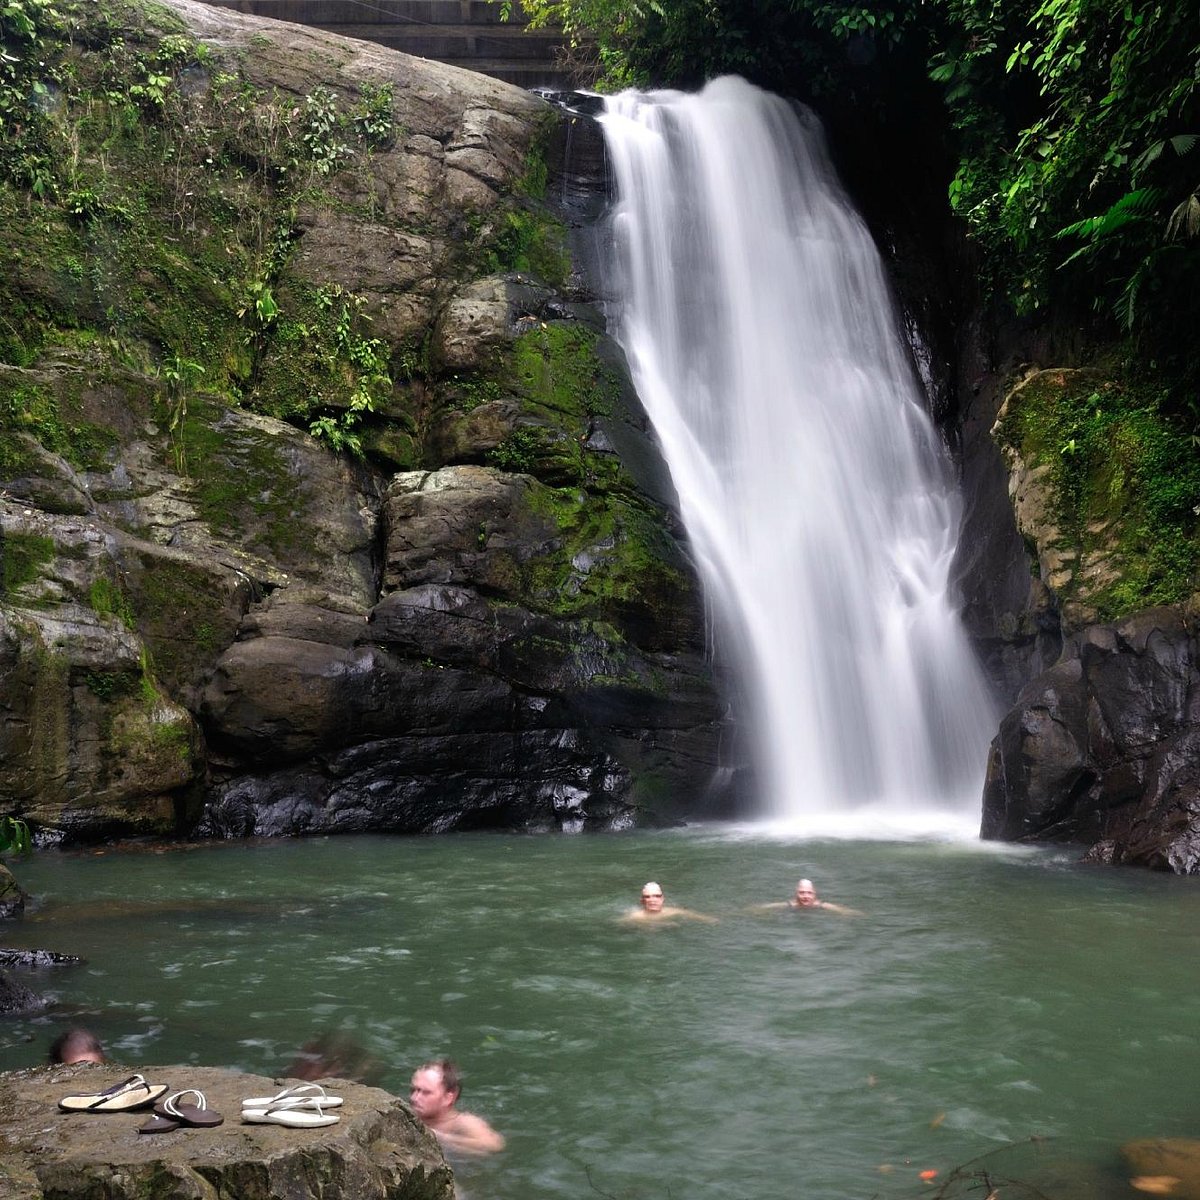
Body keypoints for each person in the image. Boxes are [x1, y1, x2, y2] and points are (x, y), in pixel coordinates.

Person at [409, 1059, 505, 1155]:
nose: (414, 1098)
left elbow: (495, 1145)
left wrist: (441, 1137)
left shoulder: (463, 1122)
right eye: (413, 1090)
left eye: (426, 1092)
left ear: (448, 1098)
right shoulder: (407, 1115)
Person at [623, 881, 717, 923]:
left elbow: (691, 915)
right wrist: (666, 925)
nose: (653, 900)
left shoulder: (671, 911)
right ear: (642, 901)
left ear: (662, 898)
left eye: (657, 896)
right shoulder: (636, 916)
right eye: (648, 897)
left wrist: (709, 920)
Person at [759, 878, 861, 915]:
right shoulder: (790, 905)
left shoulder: (821, 905)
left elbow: (844, 911)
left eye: (809, 893)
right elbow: (764, 908)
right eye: (802, 892)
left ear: (814, 894)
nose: (805, 896)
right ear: (796, 894)